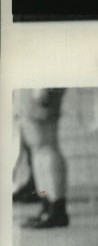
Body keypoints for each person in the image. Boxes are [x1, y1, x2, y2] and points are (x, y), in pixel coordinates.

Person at [17, 88, 69, 229]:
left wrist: (40, 89)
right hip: (35, 89)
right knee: (38, 149)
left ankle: (56, 207)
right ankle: (48, 205)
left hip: (39, 88)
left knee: (45, 147)